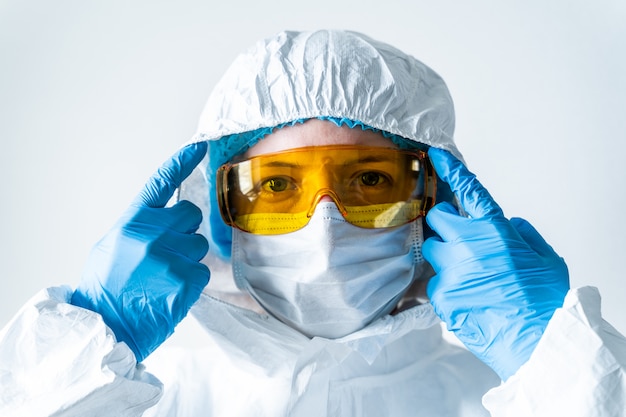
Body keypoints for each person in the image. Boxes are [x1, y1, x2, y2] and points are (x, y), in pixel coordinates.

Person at [1, 29, 625, 417]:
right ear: (220, 218)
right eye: (276, 186)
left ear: (435, 204)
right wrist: (78, 366)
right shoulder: (156, 402)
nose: (325, 227)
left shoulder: (520, 399)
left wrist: (560, 367)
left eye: (371, 181)